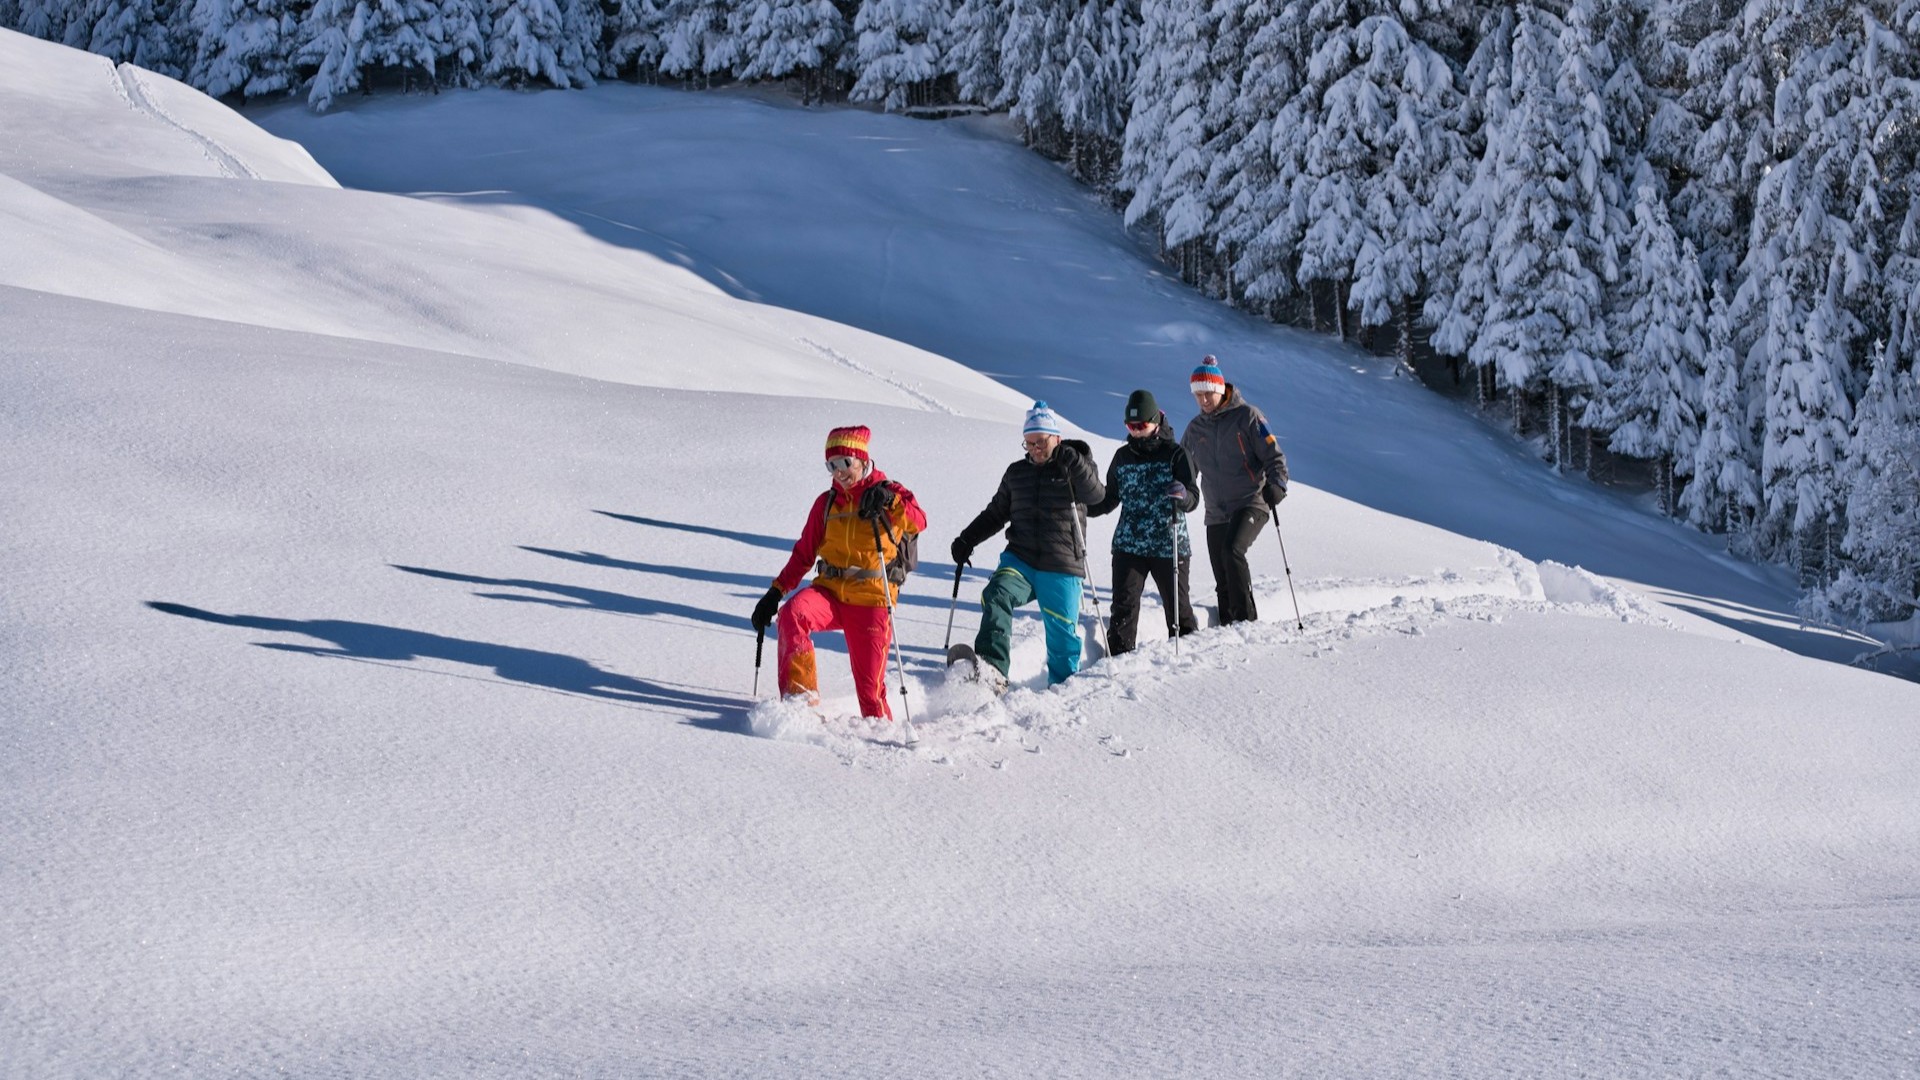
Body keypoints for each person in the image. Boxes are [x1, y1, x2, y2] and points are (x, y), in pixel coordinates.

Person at [750, 425, 927, 720]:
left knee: (870, 695)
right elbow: (804, 554)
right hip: (829, 593)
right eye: (831, 465)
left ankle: (883, 738)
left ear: (861, 460)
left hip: (872, 599)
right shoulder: (827, 503)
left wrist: (889, 501)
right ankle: (800, 705)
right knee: (794, 614)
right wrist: (775, 592)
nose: (839, 472)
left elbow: (919, 521)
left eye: (845, 462)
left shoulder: (891, 492)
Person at [950, 401, 1105, 687]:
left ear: (1055, 438)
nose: (1034, 449)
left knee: (1061, 636)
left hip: (1061, 563)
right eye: (1029, 443)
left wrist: (1077, 464)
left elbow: (1097, 497)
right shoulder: (1016, 472)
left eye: (1040, 442)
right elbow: (996, 513)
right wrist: (966, 538)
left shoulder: (1074, 466)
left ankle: (1062, 691)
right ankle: (993, 672)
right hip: (1020, 559)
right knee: (996, 595)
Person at [1087, 389, 1200, 653]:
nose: (1136, 431)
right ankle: (1118, 661)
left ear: (1156, 421)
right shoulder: (1122, 457)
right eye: (1130, 426)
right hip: (1129, 545)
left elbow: (1193, 496)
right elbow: (1110, 498)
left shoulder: (1176, 454)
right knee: (1123, 610)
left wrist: (1182, 496)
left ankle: (1188, 658)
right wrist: (1082, 508)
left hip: (1169, 544)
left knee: (1178, 610)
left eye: (1141, 425)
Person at [1179, 356, 1288, 625]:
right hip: (1216, 509)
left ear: (1219, 389)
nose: (1203, 400)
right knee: (1222, 575)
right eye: (1198, 395)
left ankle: (1246, 622)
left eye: (1207, 393)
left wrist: (1278, 485)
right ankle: (1227, 627)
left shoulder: (1248, 416)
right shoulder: (1195, 429)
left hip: (1251, 501)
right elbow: (1183, 469)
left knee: (1232, 551)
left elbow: (1274, 456)